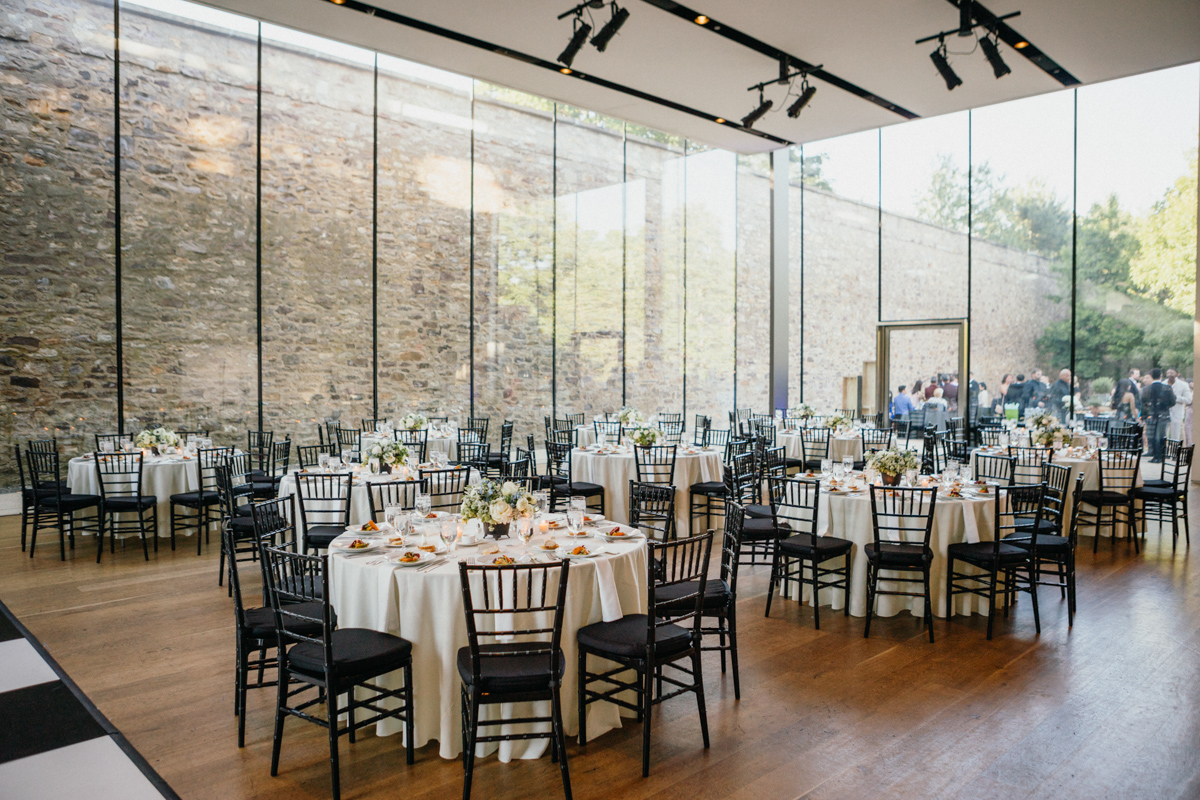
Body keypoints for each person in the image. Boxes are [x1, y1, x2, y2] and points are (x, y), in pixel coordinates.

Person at [1143, 368, 1176, 463]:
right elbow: (1172, 402)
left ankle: (1154, 455)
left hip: (1151, 415)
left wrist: (1146, 413)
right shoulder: (1167, 388)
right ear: (1161, 376)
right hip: (1164, 414)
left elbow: (1144, 402)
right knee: (1161, 435)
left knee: (1152, 435)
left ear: (1152, 376)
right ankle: (1160, 455)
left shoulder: (1146, 389)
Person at [1166, 369, 1192, 441]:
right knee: (1164, 437)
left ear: (1177, 374)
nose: (1169, 374)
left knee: (1175, 438)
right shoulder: (1163, 383)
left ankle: (1174, 452)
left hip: (1177, 415)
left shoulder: (1183, 385)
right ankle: (1164, 451)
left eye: (1172, 373)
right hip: (1164, 414)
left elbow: (1188, 400)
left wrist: (1175, 397)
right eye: (1168, 373)